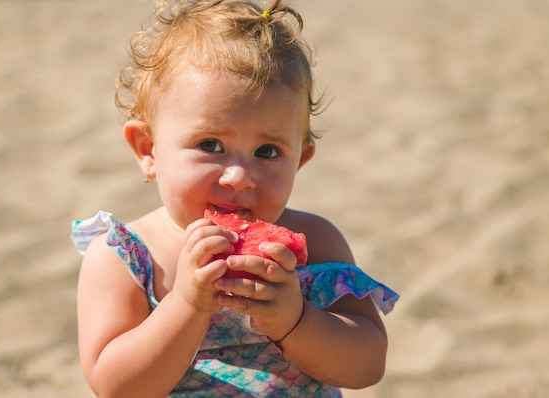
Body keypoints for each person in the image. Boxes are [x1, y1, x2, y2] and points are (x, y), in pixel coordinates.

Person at [71, 0, 399, 396]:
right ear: (148, 149)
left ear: (300, 159)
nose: (240, 177)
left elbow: (366, 366)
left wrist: (296, 320)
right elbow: (115, 387)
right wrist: (187, 305)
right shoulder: (123, 257)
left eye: (267, 152)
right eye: (210, 145)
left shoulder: (317, 243)